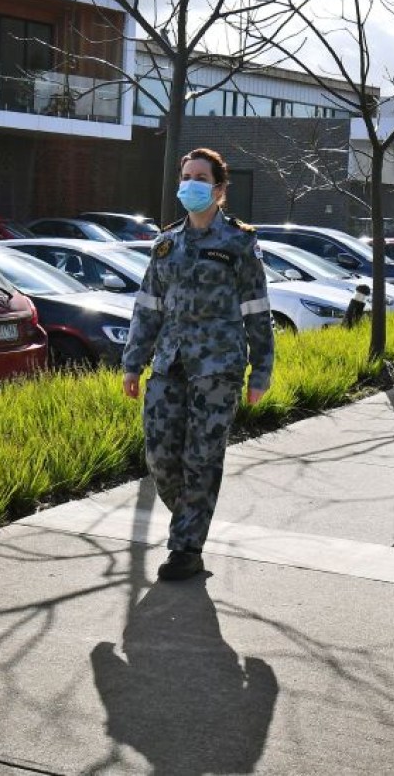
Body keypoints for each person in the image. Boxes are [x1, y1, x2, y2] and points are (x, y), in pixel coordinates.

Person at [122, 147, 275, 582]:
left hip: (218, 369)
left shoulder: (240, 243)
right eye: (185, 176)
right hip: (169, 365)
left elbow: (257, 311)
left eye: (200, 178)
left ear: (220, 189)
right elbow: (147, 307)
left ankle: (186, 549)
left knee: (202, 460)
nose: (189, 184)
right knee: (161, 459)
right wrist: (133, 362)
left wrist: (260, 371)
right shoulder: (166, 243)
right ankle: (190, 522)